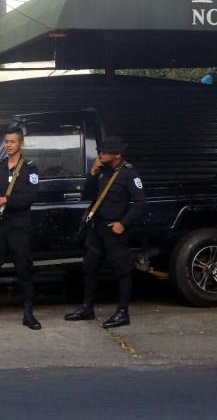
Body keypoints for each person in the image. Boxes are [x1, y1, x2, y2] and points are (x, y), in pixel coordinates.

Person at [64, 136, 145, 329]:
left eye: (105, 152)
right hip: (97, 228)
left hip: (114, 230)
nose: (101, 154)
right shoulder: (103, 172)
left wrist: (123, 224)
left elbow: (141, 202)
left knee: (122, 270)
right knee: (89, 267)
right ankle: (87, 308)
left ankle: (123, 313)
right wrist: (92, 173)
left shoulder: (129, 174)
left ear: (117, 154)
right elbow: (88, 195)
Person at [0, 127, 42, 331]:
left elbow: (30, 197)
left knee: (24, 269)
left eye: (12, 141)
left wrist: (4, 200)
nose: (8, 145)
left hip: (20, 225)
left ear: (21, 144)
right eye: (6, 141)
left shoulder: (30, 168)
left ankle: (28, 313)